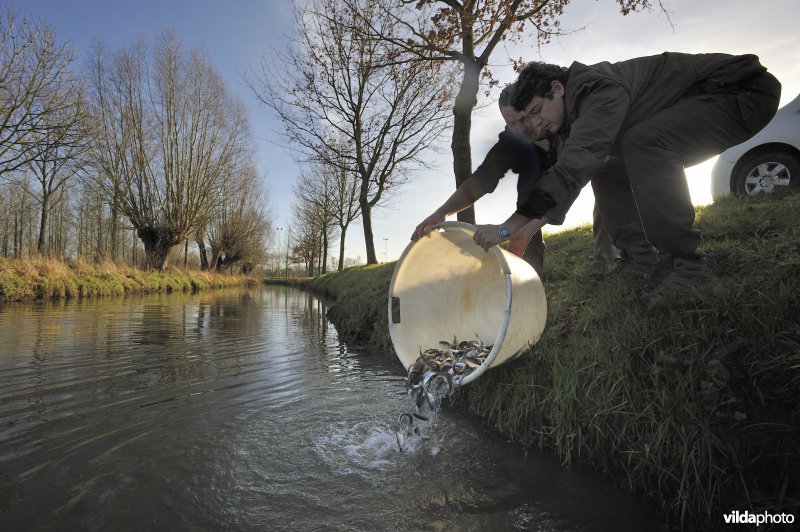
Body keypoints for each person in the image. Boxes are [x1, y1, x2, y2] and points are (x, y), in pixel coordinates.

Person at [461, 52, 780, 305]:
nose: (535, 124)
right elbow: (573, 177)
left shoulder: (596, 89)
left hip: (740, 91)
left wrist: (506, 227)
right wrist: (521, 230)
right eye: (525, 119)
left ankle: (689, 266)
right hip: (700, 108)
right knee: (607, 163)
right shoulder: (569, 121)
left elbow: (576, 162)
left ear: (557, 89)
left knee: (641, 141)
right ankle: (638, 259)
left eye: (535, 111)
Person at [411, 83, 551, 274]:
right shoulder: (512, 142)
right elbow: (480, 181)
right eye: (511, 123)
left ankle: (604, 260)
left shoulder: (564, 122)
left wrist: (520, 229)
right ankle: (528, 284)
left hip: (597, 157)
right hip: (539, 173)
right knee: (527, 201)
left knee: (605, 200)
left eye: (524, 119)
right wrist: (442, 212)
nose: (520, 131)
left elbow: (569, 181)